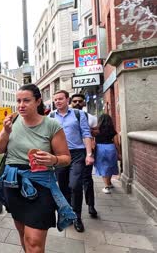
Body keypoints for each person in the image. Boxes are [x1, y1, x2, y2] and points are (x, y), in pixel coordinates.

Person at [0, 84, 72, 252]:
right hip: (13, 183)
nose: (21, 105)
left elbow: (66, 158)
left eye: (26, 100)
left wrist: (53, 159)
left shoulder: (52, 125)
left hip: (40, 184)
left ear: (38, 101)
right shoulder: (13, 121)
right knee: (23, 236)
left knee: (34, 242)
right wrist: (6, 132)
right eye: (19, 101)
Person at [51, 90, 94, 233]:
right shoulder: (51, 116)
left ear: (67, 100)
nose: (57, 101)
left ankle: (77, 217)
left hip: (77, 154)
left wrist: (89, 154)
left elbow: (86, 134)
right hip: (59, 155)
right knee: (63, 187)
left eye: (60, 99)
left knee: (75, 185)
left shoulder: (78, 114)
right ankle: (67, 214)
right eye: (55, 99)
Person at [70, 93, 98, 218]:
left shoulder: (90, 117)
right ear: (71, 102)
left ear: (84, 103)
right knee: (73, 182)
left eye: (80, 101)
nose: (77, 103)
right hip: (72, 153)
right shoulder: (67, 116)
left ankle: (91, 205)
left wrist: (85, 129)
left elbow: (97, 132)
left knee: (87, 179)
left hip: (86, 152)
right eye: (74, 101)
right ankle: (72, 208)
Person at [94, 114, 121, 194]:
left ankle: (106, 186)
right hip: (111, 148)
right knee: (110, 166)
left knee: (103, 167)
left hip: (100, 149)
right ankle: (109, 183)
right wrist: (119, 152)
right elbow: (117, 143)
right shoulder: (113, 130)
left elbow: (93, 142)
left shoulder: (96, 130)